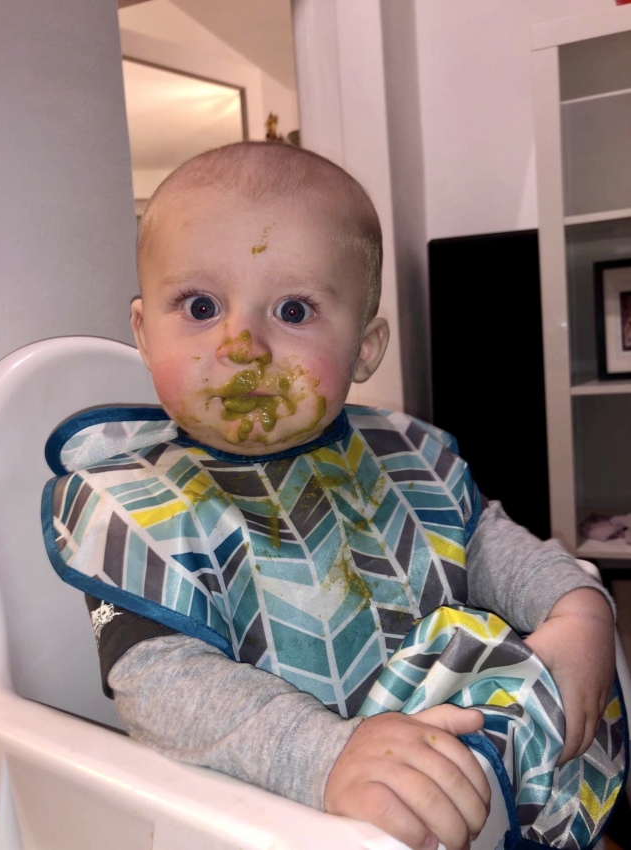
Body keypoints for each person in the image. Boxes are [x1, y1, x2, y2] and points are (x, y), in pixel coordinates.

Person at [42, 142, 621, 850]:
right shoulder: (136, 503)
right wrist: (322, 754)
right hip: (264, 817)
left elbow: (498, 550)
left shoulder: (398, 459)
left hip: (452, 779)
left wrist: (579, 609)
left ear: (365, 348)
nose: (242, 343)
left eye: (292, 308)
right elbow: (159, 686)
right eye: (200, 305)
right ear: (142, 331)